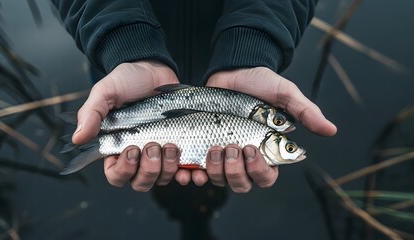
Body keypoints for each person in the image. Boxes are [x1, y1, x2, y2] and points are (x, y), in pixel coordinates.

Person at [52, 0, 337, 193]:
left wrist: (252, 45)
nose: (283, 127)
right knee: (163, 170)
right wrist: (124, 44)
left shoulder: (251, 118)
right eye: (277, 122)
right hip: (123, 66)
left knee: (178, 170)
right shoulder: (251, 118)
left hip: (195, 66)